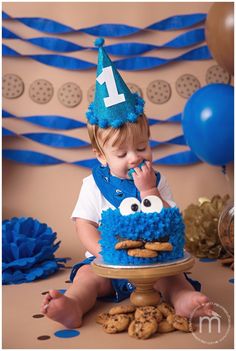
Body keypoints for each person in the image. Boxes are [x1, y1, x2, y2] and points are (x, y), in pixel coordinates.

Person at [41, 39, 212, 329]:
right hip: (108, 265)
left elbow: (170, 220)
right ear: (101, 156)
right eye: (121, 153)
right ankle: (73, 305)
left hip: (154, 265)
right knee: (87, 280)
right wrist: (101, 252)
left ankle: (184, 299)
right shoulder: (94, 184)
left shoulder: (158, 180)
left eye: (143, 147)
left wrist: (149, 191)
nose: (134, 158)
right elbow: (83, 224)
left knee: (173, 278)